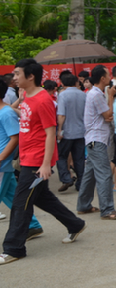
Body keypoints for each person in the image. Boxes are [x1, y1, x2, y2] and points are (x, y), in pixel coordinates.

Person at [1, 59, 86, 265]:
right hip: (28, 157)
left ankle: (14, 248)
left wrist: (46, 163)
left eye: (17, 73)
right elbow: (29, 124)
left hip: (38, 161)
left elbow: (50, 133)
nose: (14, 77)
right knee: (42, 197)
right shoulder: (27, 97)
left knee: (21, 204)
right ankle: (74, 224)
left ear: (30, 76)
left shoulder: (43, 99)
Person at [76, 65, 116, 221]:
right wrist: (111, 96)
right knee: (104, 174)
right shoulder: (96, 94)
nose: (110, 78)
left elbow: (108, 116)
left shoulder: (95, 93)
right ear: (102, 78)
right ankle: (107, 209)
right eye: (108, 75)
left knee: (90, 174)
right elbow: (108, 114)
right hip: (96, 139)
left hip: (94, 139)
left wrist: (108, 108)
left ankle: (84, 205)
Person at [0, 79, 44, 243]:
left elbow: (15, 138)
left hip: (2, 165)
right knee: (13, 197)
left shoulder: (6, 113)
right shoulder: (4, 112)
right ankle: (32, 225)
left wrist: (2, 157)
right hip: (4, 166)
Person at [56, 72, 86, 193]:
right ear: (76, 82)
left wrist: (59, 130)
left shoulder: (63, 95)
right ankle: (81, 183)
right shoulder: (83, 95)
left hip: (67, 131)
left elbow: (61, 115)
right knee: (79, 158)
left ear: (62, 83)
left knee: (61, 156)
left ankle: (66, 177)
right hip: (81, 131)